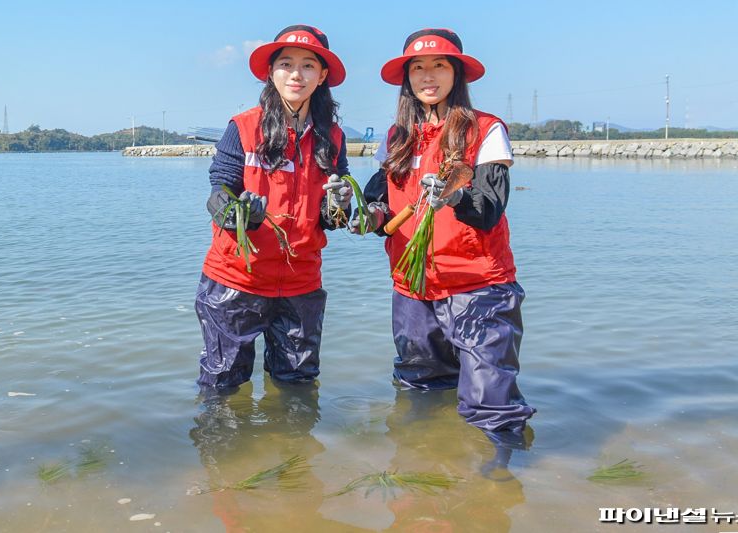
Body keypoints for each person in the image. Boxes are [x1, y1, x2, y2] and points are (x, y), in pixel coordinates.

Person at [351, 28, 535, 439]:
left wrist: (453, 197)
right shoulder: (397, 138)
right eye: (418, 68)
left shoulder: (485, 129)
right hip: (412, 289)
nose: (428, 76)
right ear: (407, 78)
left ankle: (497, 485)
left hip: (478, 288)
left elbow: (488, 209)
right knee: (419, 391)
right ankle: (427, 469)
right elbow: (377, 204)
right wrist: (362, 215)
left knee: (492, 405)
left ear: (457, 74)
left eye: (439, 66)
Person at [196, 25, 354, 392]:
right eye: (286, 63)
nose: (296, 74)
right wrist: (237, 215)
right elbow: (219, 186)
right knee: (222, 385)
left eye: (308, 66)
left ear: (323, 75)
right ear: (271, 71)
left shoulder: (332, 137)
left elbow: (332, 213)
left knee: (297, 386)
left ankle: (291, 448)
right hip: (237, 278)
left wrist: (341, 206)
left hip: (301, 280)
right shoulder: (243, 126)